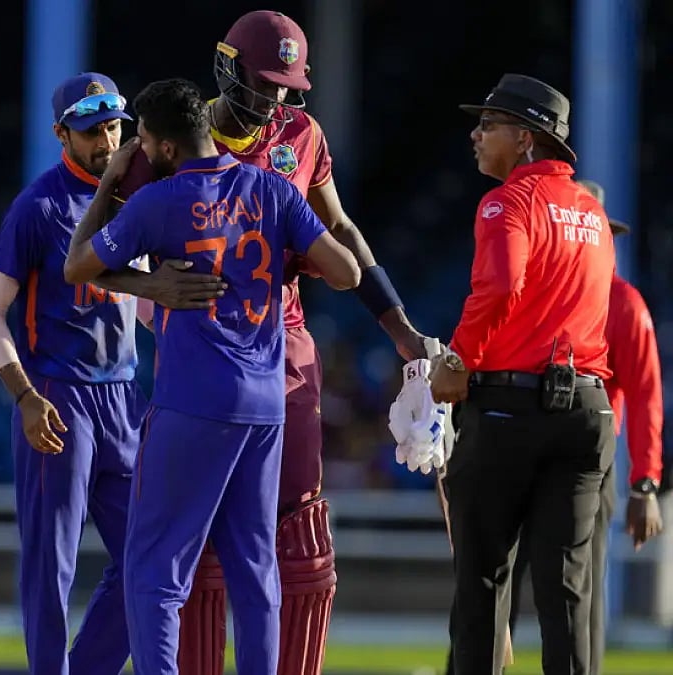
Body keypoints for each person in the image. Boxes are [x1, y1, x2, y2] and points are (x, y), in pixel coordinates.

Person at [64, 77, 359, 674]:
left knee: (156, 568)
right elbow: (348, 271)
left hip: (193, 401)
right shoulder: (275, 191)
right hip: (265, 403)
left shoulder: (158, 200)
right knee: (256, 569)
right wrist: (278, 260)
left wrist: (109, 191)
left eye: (141, 140)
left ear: (166, 147)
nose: (137, 151)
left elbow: (79, 265)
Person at [174, 12, 437, 675]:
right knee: (199, 534)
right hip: (201, 348)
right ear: (227, 68)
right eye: (264, 84)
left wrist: (398, 325)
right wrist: (148, 293)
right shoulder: (179, 135)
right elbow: (127, 235)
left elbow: (339, 225)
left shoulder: (301, 133)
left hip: (282, 341)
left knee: (303, 534)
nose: (276, 101)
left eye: (287, 86)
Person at [0, 72, 225, 675]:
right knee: (50, 566)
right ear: (61, 133)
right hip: (57, 396)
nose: (106, 140)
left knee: (151, 558)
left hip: (123, 397)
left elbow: (139, 306)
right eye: (90, 130)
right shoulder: (38, 207)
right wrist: (24, 396)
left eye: (113, 125)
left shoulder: (144, 198)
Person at [430, 74, 617, 675]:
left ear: (526, 137)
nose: (475, 135)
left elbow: (501, 285)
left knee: (483, 578)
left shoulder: (507, 201)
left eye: (488, 124)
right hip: (588, 410)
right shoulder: (591, 212)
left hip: (512, 406)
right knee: (567, 592)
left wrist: (457, 360)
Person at [440, 180, 664, 675]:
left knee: (565, 592)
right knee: (535, 587)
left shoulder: (624, 305)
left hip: (582, 461)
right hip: (565, 445)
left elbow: (647, 393)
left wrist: (644, 481)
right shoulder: (547, 293)